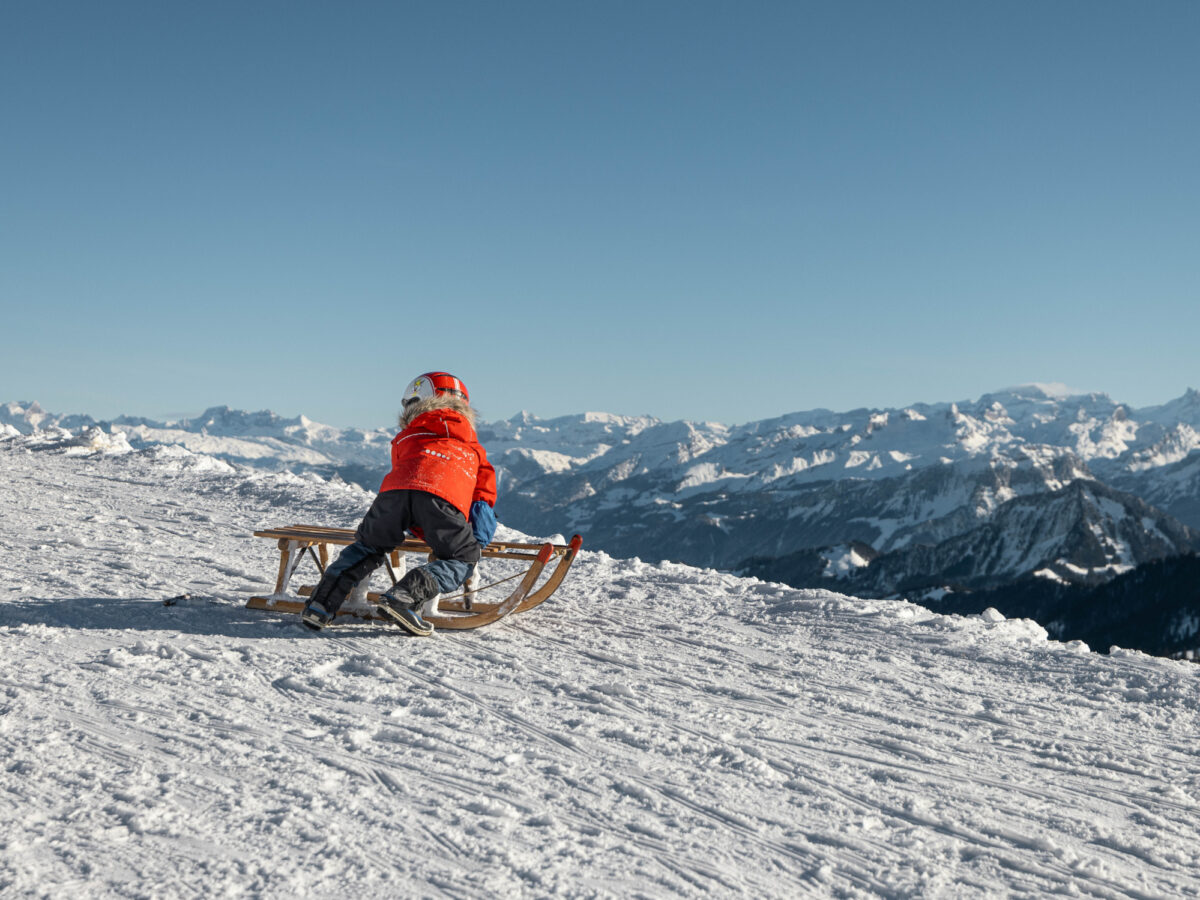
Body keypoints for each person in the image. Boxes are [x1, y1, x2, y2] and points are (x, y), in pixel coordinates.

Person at [301, 371, 498, 636]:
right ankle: (404, 596)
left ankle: (320, 604)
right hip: (441, 498)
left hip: (392, 494)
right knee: (463, 557)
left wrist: (412, 521)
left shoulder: (405, 438)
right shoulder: (473, 448)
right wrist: (477, 542)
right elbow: (482, 499)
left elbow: (408, 484)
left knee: (368, 547)